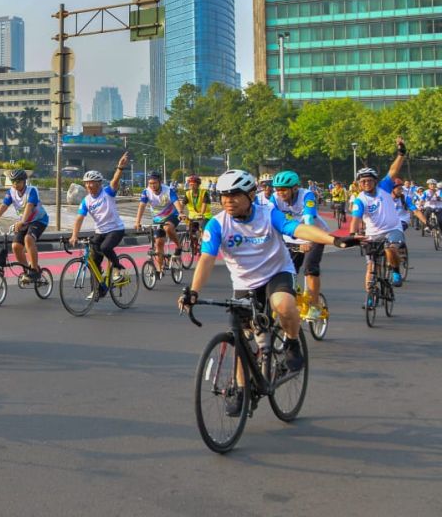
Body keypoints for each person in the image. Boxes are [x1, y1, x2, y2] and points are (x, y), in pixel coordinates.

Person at [178, 169, 357, 414]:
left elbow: (296, 229)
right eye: (223, 196)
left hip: (276, 272)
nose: (228, 201)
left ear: (251, 195)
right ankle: (242, 390)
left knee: (283, 304)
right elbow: (207, 259)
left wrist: (333, 239)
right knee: (242, 339)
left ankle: (292, 345)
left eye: (234, 195)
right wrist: (193, 292)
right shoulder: (217, 224)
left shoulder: (267, 213)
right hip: (244, 283)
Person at [349, 138, 425, 291]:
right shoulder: (360, 200)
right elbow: (356, 219)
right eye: (363, 181)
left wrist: (401, 153)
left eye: (369, 180)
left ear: (375, 181)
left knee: (391, 248)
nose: (366, 183)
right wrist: (352, 235)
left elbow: (393, 170)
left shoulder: (384, 187)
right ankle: (370, 296)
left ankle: (396, 271)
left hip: (393, 229)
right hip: (372, 234)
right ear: (358, 183)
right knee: (371, 266)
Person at [68, 152, 131, 300]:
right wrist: (74, 235)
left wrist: (120, 167)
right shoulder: (86, 200)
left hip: (115, 229)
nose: (89, 185)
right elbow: (79, 219)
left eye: (93, 183)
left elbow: (115, 181)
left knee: (105, 248)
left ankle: (117, 269)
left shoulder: (107, 192)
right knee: (93, 261)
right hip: (100, 231)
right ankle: (98, 289)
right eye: (87, 183)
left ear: (99, 184)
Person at [271, 170, 328, 323]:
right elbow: (267, 217)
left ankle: (315, 305)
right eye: (277, 189)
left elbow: (309, 216)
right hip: (292, 238)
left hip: (314, 234)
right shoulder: (275, 198)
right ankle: (290, 297)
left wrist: (309, 240)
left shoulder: (306, 195)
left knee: (310, 269)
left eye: (283, 189)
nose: (279, 192)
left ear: (294, 188)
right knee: (286, 271)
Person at [0, 168, 50, 283]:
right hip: (24, 221)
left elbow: (29, 207)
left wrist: (22, 222)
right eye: (13, 182)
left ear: (24, 181)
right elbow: (4, 206)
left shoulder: (32, 191)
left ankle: (34, 270)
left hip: (39, 220)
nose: (15, 184)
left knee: (28, 239)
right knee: (15, 246)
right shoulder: (11, 192)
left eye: (18, 182)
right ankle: (27, 271)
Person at [134, 171, 183, 277]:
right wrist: (137, 221)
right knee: (159, 243)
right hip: (157, 219)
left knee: (168, 228)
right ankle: (159, 269)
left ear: (160, 182)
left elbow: (176, 202)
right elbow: (141, 206)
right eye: (150, 183)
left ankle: (179, 246)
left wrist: (181, 212)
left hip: (173, 215)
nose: (152, 185)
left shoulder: (168, 190)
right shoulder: (146, 192)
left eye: (154, 183)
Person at [181, 175, 212, 245]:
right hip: (192, 216)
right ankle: (194, 241)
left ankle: (204, 244)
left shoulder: (204, 193)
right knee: (191, 231)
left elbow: (204, 204)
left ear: (198, 185)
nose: (191, 185)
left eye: (193, 183)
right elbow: (182, 205)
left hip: (205, 215)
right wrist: (180, 212)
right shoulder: (187, 193)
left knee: (205, 230)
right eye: (190, 183)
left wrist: (201, 214)